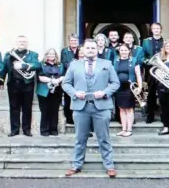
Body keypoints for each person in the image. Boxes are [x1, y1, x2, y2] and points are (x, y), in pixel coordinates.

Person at [62, 39, 120, 178]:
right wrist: (75, 93)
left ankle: (109, 165)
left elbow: (115, 83)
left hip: (101, 107)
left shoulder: (107, 64)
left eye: (93, 48)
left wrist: (105, 92)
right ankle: (76, 165)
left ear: (97, 49)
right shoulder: (74, 65)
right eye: (87, 48)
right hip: (80, 107)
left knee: (104, 138)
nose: (90, 50)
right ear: (83, 49)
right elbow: (66, 83)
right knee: (80, 138)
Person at [0, 36, 40, 137]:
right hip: (13, 84)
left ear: (27, 43)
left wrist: (23, 66)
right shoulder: (8, 55)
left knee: (27, 107)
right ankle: (14, 130)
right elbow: (3, 68)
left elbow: (37, 65)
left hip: (27, 84)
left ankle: (26, 130)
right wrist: (1, 80)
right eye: (20, 41)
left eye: (24, 42)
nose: (22, 43)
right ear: (16, 43)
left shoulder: (33, 54)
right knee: (14, 107)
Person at [113, 44, 142, 137]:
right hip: (119, 88)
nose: (124, 52)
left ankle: (129, 129)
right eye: (122, 50)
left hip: (130, 88)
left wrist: (140, 87)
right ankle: (123, 129)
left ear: (129, 51)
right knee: (121, 109)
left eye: (125, 50)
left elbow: (138, 74)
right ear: (119, 51)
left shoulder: (134, 60)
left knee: (129, 109)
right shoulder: (116, 60)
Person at [36, 48, 65, 136]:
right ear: (46, 55)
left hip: (57, 90)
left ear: (55, 55)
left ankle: (53, 129)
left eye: (53, 54)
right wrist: (52, 80)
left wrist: (58, 80)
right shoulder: (41, 64)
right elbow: (40, 77)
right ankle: (44, 130)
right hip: (44, 91)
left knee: (55, 110)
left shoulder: (60, 65)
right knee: (45, 110)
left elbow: (64, 75)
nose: (51, 55)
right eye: (49, 54)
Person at [142, 22, 164, 123]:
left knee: (162, 93)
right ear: (151, 30)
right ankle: (150, 116)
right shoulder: (146, 42)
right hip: (150, 70)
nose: (156, 30)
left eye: (158, 28)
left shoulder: (165, 41)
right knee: (150, 94)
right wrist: (149, 62)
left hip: (162, 70)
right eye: (154, 28)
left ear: (160, 30)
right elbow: (143, 56)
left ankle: (164, 117)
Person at [61, 33, 79, 124]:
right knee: (68, 98)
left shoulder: (80, 50)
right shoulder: (64, 51)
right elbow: (63, 63)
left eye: (75, 40)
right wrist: (72, 64)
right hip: (69, 77)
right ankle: (69, 118)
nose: (73, 42)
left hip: (79, 78)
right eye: (72, 40)